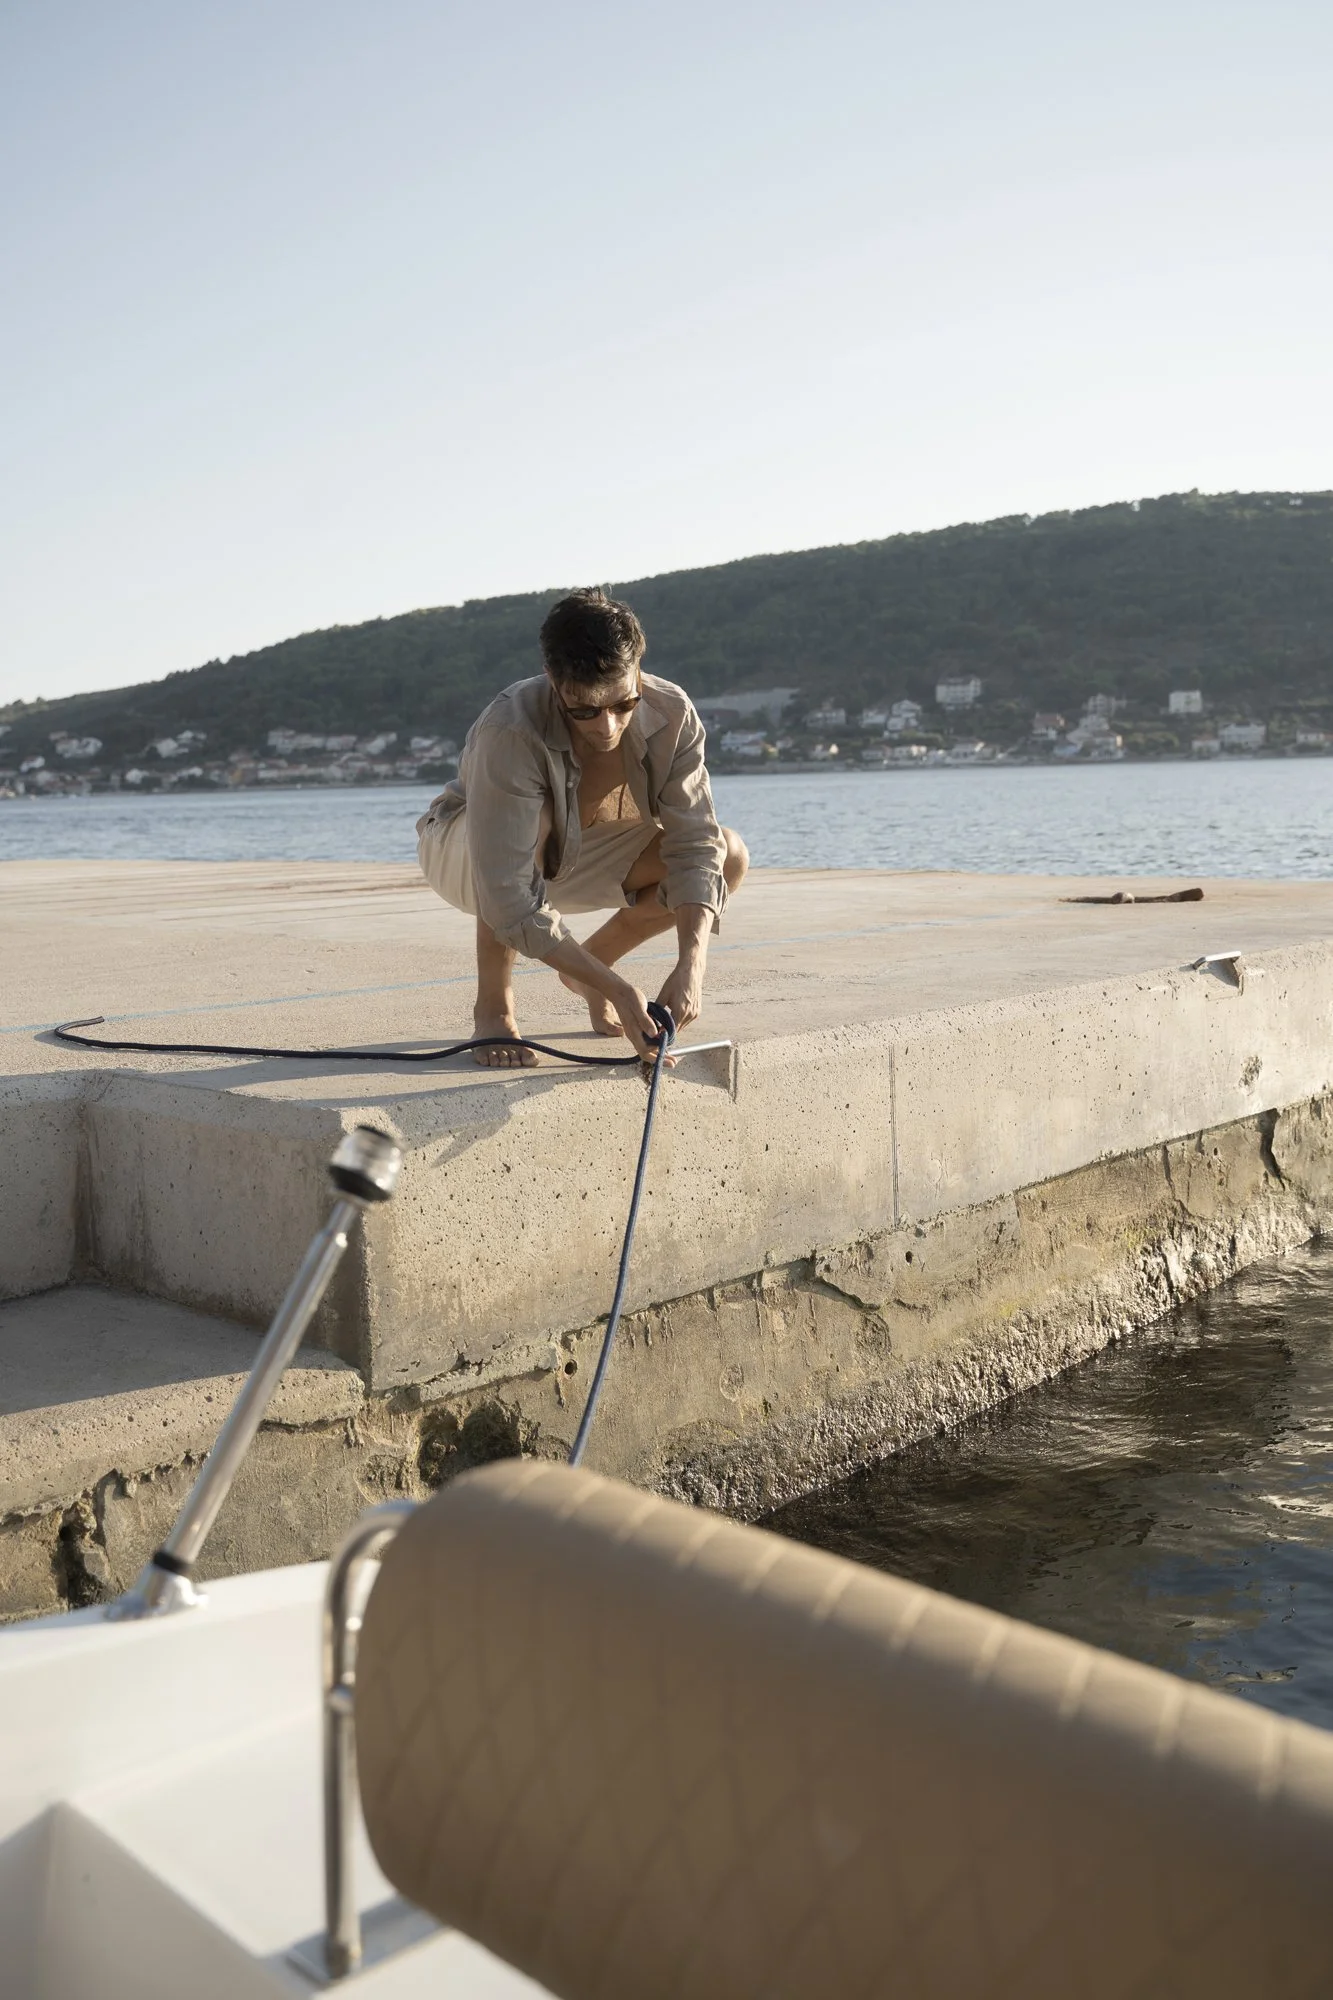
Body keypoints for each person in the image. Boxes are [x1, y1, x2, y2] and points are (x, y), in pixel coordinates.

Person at [417, 587, 749, 1068]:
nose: (607, 727)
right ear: (553, 678)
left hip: (578, 854)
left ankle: (588, 966)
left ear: (638, 667)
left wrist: (691, 967)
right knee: (530, 826)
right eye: (584, 711)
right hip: (464, 854)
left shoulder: (673, 712)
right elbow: (507, 893)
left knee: (727, 853)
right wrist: (615, 989)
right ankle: (494, 1007)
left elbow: (695, 844)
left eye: (622, 704)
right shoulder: (509, 729)